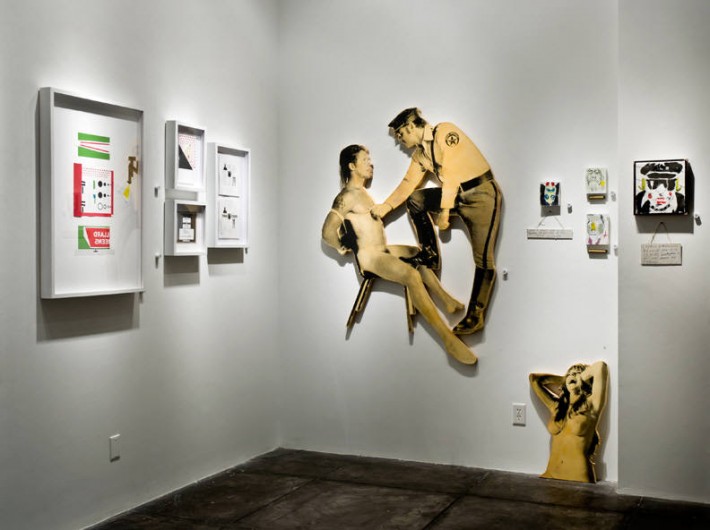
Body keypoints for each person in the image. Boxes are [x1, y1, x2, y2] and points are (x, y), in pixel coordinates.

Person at [322, 144, 476, 365]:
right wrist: (341, 246)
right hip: (370, 257)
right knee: (411, 275)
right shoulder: (345, 197)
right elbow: (327, 231)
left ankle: (445, 299)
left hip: (382, 251)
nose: (370, 164)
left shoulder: (362, 193)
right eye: (365, 160)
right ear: (352, 166)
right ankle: (447, 339)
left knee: (417, 253)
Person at [370, 108, 502, 336]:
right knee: (416, 199)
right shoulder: (420, 155)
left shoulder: (445, 132)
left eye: (400, 134)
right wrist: (386, 207)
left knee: (483, 259)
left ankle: (476, 316)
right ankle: (429, 254)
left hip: (481, 194)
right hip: (457, 196)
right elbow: (407, 184)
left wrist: (445, 212)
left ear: (411, 126)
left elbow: (452, 173)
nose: (400, 141)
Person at [529, 361, 609, 483]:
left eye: (577, 373)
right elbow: (534, 379)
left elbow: (600, 367)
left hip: (579, 478)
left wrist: (578, 378)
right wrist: (565, 379)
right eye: (570, 373)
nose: (573, 375)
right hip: (550, 475)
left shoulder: (592, 405)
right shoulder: (556, 407)